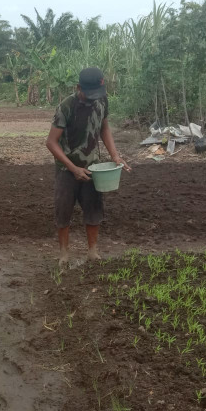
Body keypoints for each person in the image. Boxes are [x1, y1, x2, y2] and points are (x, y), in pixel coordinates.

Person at [45, 67, 131, 266]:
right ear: (78, 88)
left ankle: (93, 252)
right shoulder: (66, 106)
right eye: (89, 94)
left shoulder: (102, 100)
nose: (93, 98)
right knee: (63, 210)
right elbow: (51, 142)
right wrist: (73, 168)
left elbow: (104, 128)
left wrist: (115, 156)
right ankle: (64, 254)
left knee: (94, 209)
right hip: (67, 169)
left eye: (97, 94)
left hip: (93, 168)